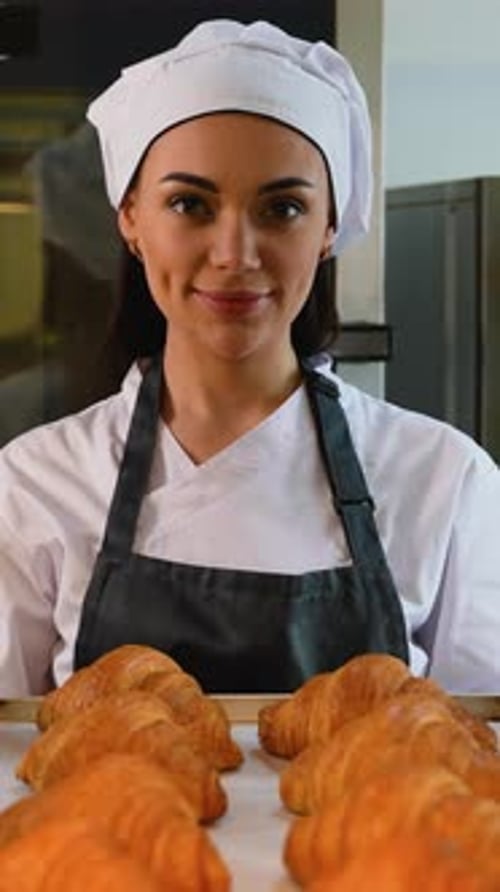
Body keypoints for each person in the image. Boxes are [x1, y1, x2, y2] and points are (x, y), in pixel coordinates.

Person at [0, 19, 499, 697]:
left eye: (283, 208)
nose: (236, 254)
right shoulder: (35, 484)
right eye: (189, 204)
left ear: (330, 227)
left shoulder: (444, 480)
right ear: (130, 218)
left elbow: (479, 763)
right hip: (100, 810)